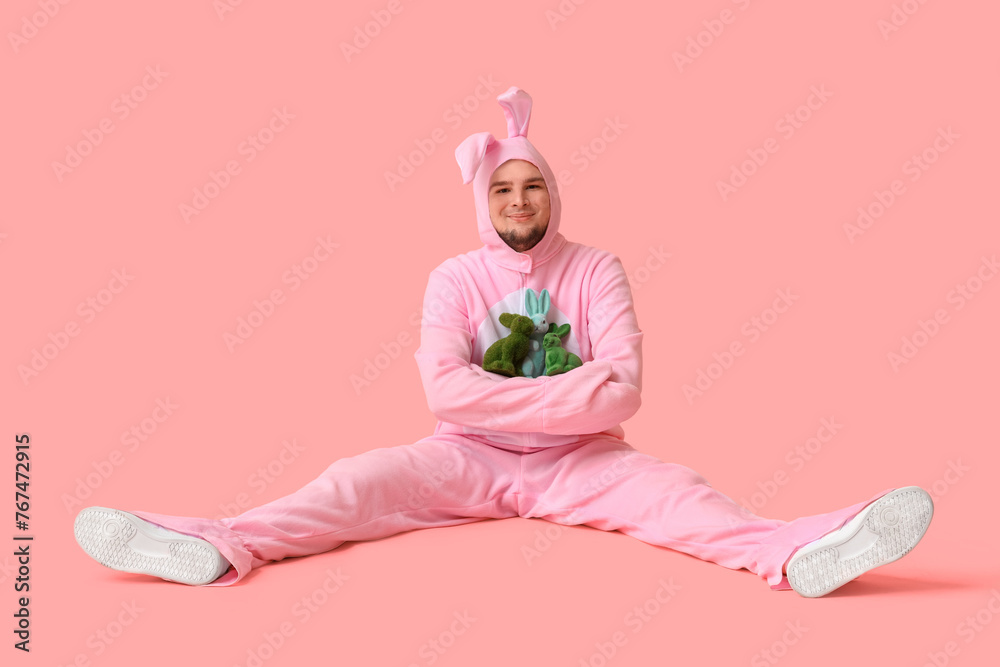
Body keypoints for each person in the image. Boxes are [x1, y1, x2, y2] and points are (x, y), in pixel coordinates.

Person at [74, 86, 933, 598]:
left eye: (533, 187)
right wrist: (573, 390)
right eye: (503, 190)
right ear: (484, 203)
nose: (519, 201)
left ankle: (802, 549)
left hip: (588, 462)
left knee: (686, 498)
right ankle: (216, 543)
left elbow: (626, 391)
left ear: (553, 195)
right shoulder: (453, 277)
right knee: (350, 485)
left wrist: (566, 399)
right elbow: (444, 397)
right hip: (464, 459)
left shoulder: (597, 267)